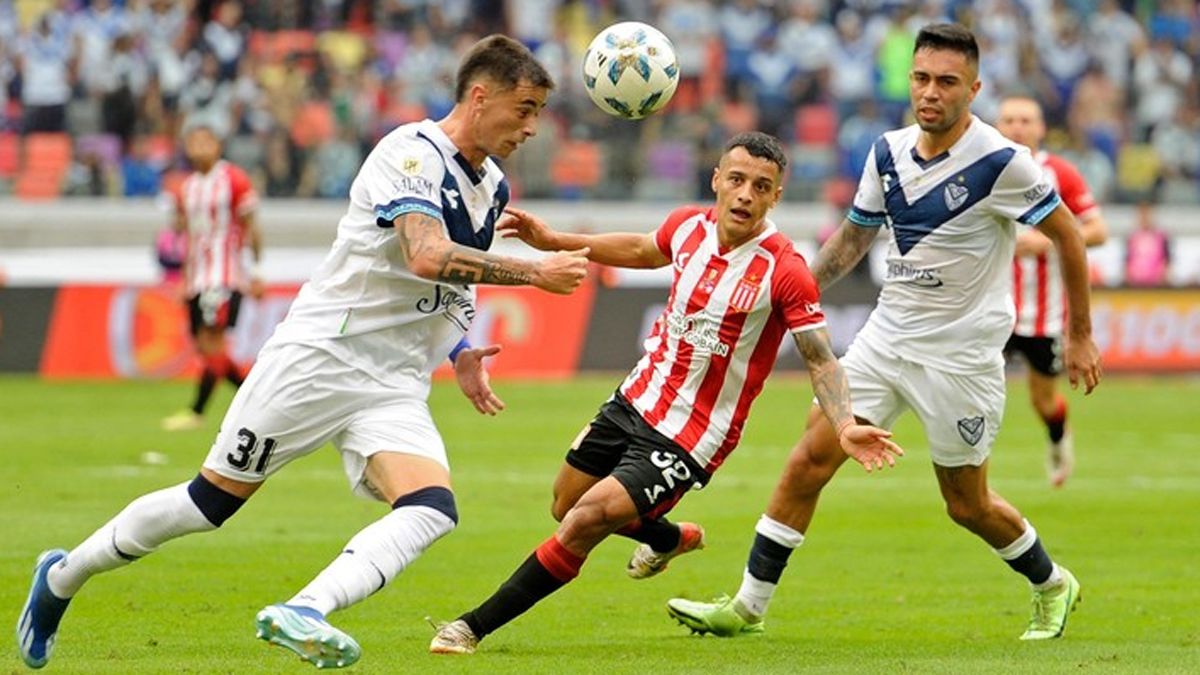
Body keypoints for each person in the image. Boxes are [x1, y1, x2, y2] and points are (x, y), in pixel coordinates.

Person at [17, 35, 589, 670]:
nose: (533, 126)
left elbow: (450, 280)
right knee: (208, 506)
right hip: (322, 357)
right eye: (526, 107)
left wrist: (458, 347)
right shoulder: (409, 153)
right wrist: (533, 272)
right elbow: (424, 253)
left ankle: (305, 609)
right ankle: (62, 578)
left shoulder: (493, 187)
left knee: (431, 509)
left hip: (393, 381)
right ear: (480, 96)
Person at [664, 24, 1102, 643]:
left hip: (962, 358)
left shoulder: (1004, 162)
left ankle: (1052, 582)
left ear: (973, 89)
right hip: (885, 340)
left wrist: (1079, 335)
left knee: (965, 504)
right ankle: (747, 607)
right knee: (807, 461)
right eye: (921, 78)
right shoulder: (886, 152)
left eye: (946, 82)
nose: (930, 93)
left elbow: (1069, 236)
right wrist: (786, 293)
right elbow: (852, 239)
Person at [428, 131, 904, 655]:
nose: (746, 194)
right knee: (565, 504)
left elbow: (820, 358)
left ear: (776, 197)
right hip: (636, 397)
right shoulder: (687, 226)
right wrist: (554, 241)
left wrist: (843, 424)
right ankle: (667, 538)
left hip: (692, 434)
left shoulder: (784, 271)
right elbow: (641, 248)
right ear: (717, 180)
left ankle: (470, 627)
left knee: (586, 520)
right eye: (738, 180)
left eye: (761, 187)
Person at [996, 94, 1109, 488]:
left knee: (1042, 401)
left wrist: (1049, 241)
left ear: (1041, 128)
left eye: (1026, 119)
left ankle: (1059, 439)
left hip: (1044, 315)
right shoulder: (983, 171)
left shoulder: (1060, 172)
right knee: (970, 386)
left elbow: (1097, 230)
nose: (1017, 127)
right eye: (1009, 119)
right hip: (991, 309)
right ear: (997, 126)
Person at [160, 124, 264, 432]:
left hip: (225, 274)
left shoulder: (233, 178)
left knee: (214, 340)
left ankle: (196, 411)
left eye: (206, 141)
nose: (200, 148)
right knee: (206, 348)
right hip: (197, 278)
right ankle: (256, 402)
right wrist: (182, 277)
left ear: (218, 146)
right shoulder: (185, 187)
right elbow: (185, 235)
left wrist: (256, 270)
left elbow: (251, 226)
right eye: (194, 142)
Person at [1124, 200, 1171, 287]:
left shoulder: (1161, 236)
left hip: (1156, 285)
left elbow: (1166, 261)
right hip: (1135, 285)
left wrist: (1162, 279)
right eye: (1141, 214)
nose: (1144, 217)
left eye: (1147, 214)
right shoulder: (1132, 237)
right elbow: (1127, 261)